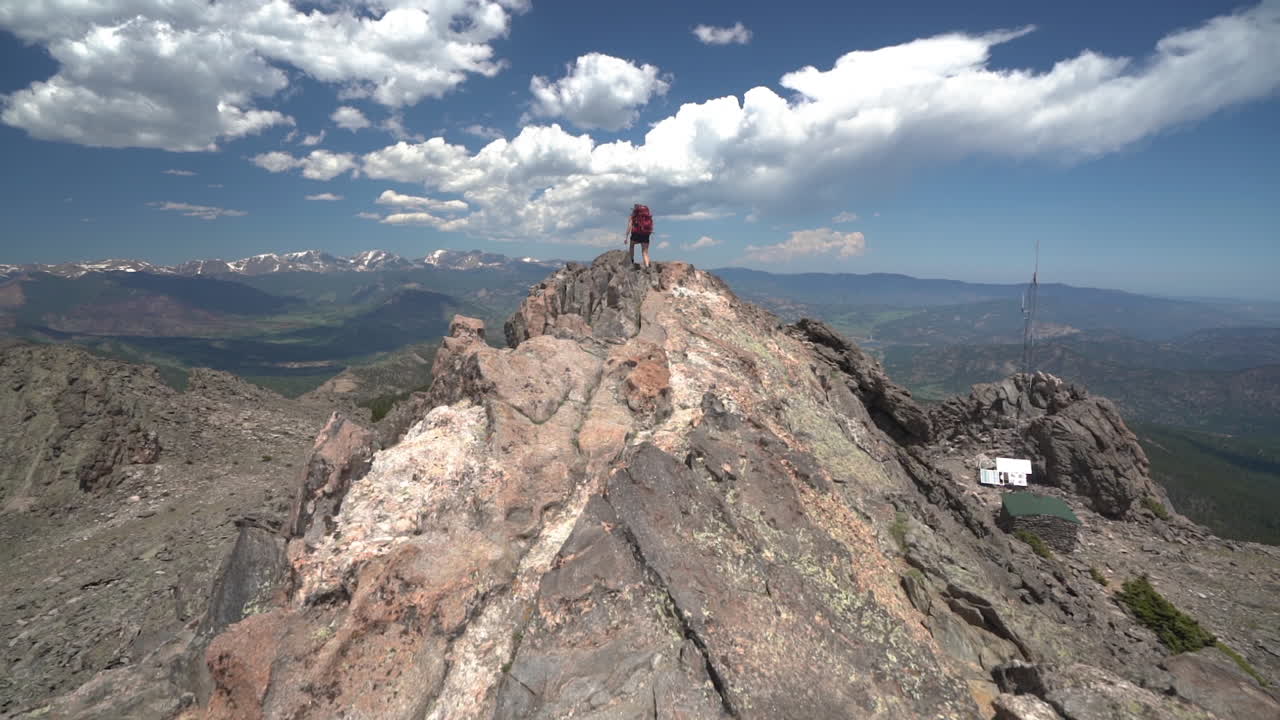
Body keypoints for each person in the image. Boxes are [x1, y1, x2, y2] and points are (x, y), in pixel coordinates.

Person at [625, 204, 654, 268]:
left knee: (632, 246)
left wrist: (626, 237)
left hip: (636, 234)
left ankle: (631, 260)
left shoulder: (633, 216)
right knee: (645, 252)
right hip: (645, 235)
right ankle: (647, 266)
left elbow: (629, 227)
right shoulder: (646, 217)